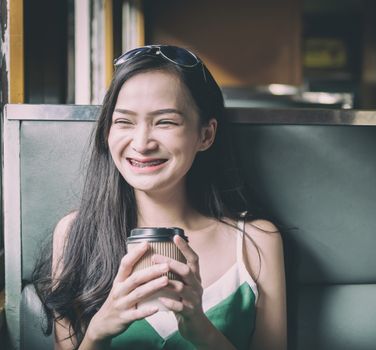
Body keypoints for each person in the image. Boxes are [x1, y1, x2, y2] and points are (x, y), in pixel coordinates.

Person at [33, 45, 287, 349]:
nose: (141, 143)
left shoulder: (257, 241)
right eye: (124, 122)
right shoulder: (74, 233)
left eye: (165, 122)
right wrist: (99, 330)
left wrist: (200, 329)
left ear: (205, 135)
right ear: (107, 133)